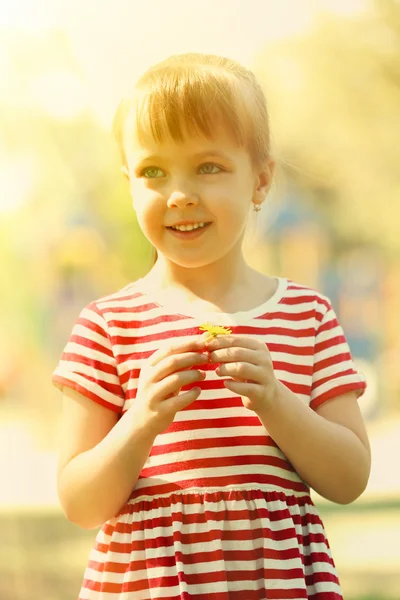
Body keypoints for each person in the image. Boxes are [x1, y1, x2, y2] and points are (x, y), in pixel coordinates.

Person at [52, 53, 371, 600]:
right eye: (154, 171)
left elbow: (349, 478)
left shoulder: (307, 316)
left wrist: (275, 399)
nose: (180, 193)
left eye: (208, 167)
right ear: (129, 182)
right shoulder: (108, 324)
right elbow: (80, 502)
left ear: (261, 180)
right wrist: (141, 422)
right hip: (150, 583)